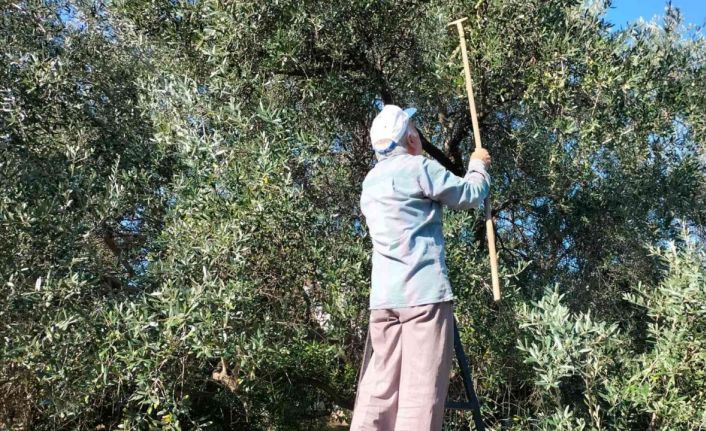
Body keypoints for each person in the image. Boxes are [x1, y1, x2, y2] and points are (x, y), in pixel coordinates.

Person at [350, 104, 491, 431]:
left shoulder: (370, 183)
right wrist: (478, 165)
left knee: (381, 387)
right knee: (420, 392)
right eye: (414, 127)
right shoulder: (419, 168)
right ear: (410, 139)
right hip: (423, 297)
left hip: (384, 301)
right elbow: (469, 194)